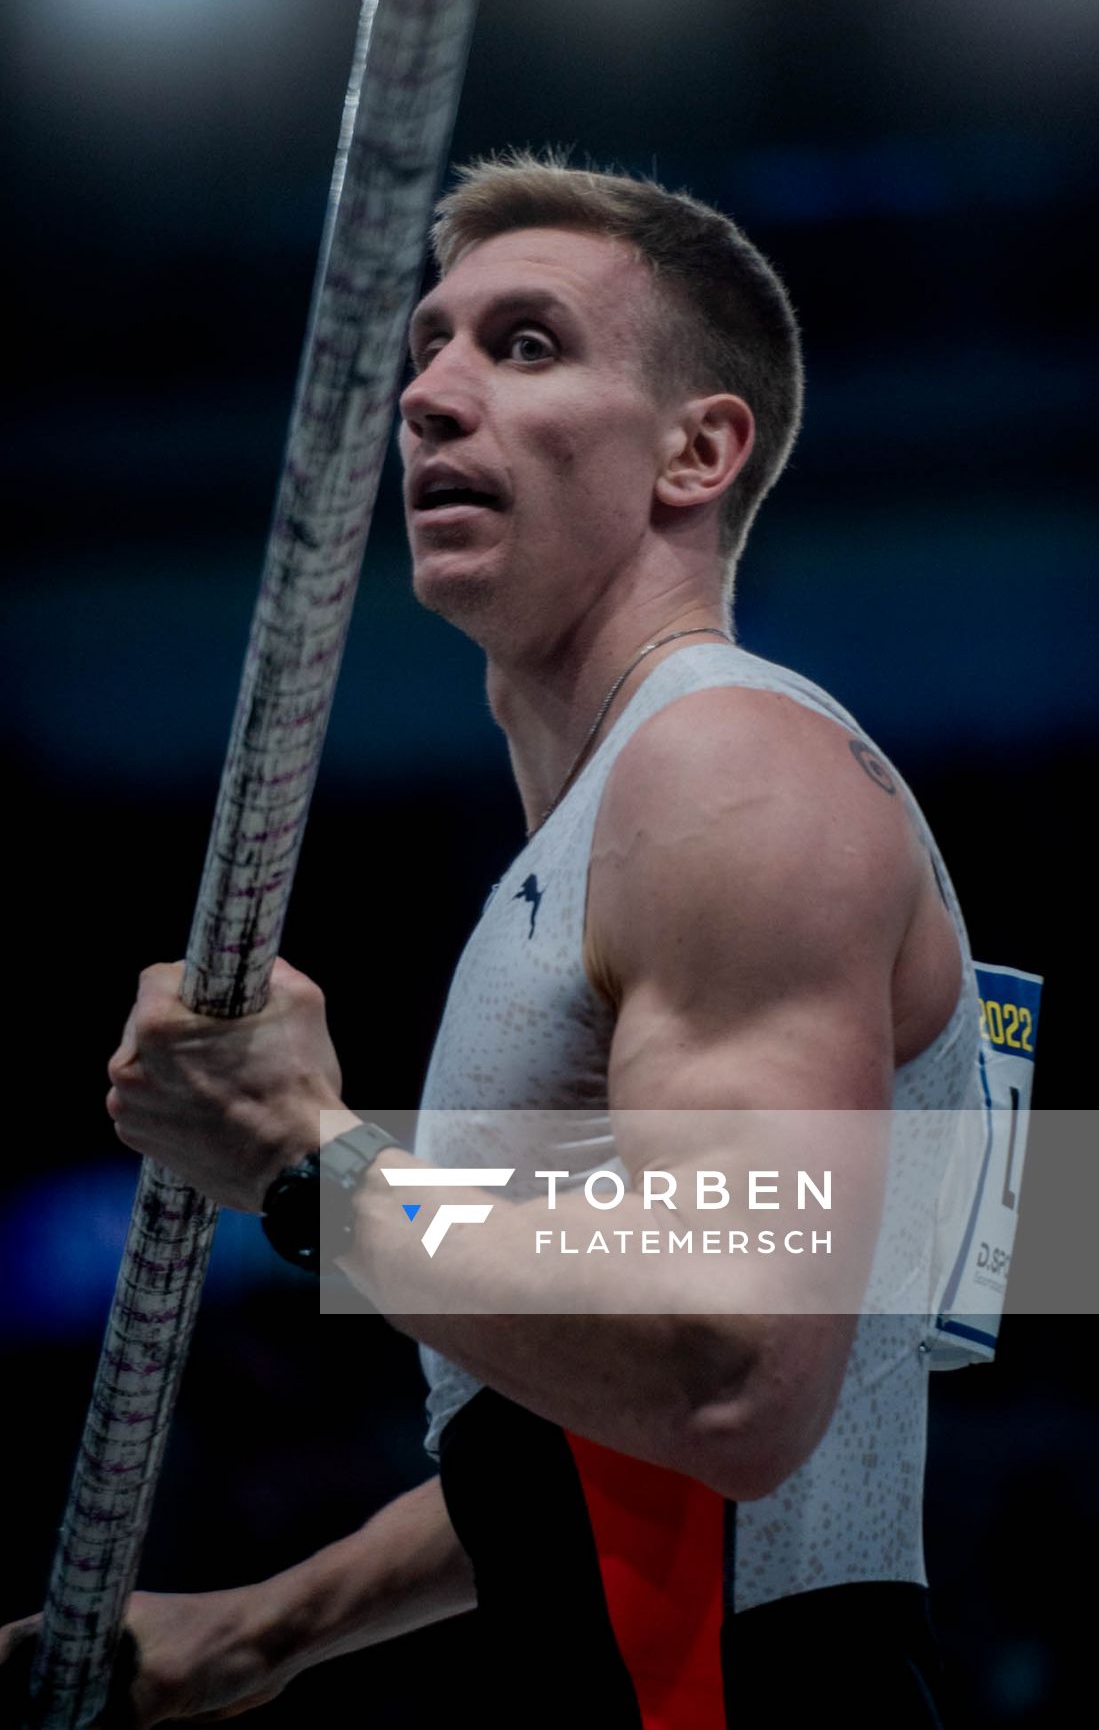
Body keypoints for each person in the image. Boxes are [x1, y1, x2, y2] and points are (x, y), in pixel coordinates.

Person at [2, 157, 980, 1725]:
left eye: (524, 346)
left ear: (698, 451)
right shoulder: (607, 833)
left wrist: (308, 1169)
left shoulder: (728, 774)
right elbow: (583, 1437)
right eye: (426, 351)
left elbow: (722, 1374)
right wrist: (267, 1626)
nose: (431, 397)